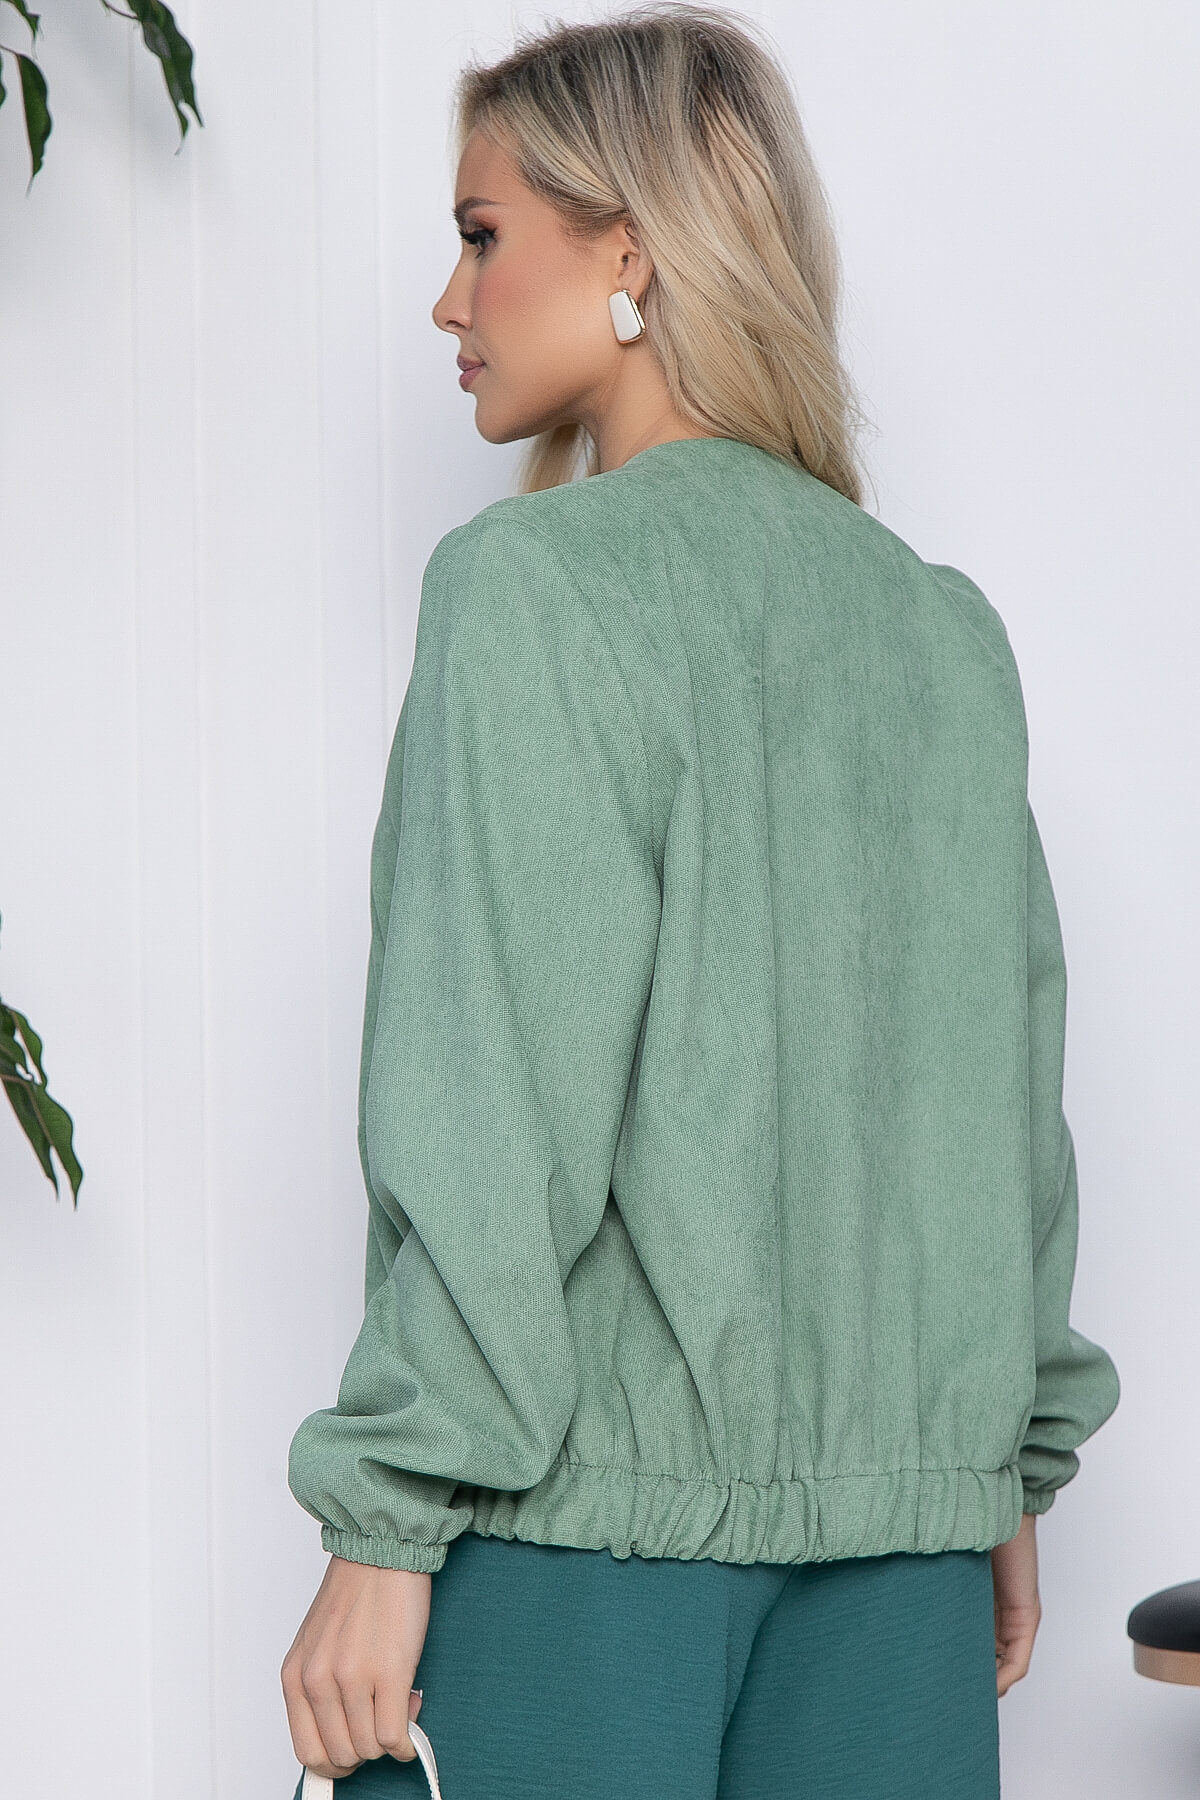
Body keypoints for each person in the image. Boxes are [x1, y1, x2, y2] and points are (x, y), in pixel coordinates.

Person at [280, 5, 1121, 1795]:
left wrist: (385, 1523)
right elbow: (1002, 1108)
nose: (447, 301)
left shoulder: (533, 590)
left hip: (585, 1561)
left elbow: (499, 1110)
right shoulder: (936, 631)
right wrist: (995, 1471)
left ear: (632, 252)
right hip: (904, 1572)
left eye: (482, 235)